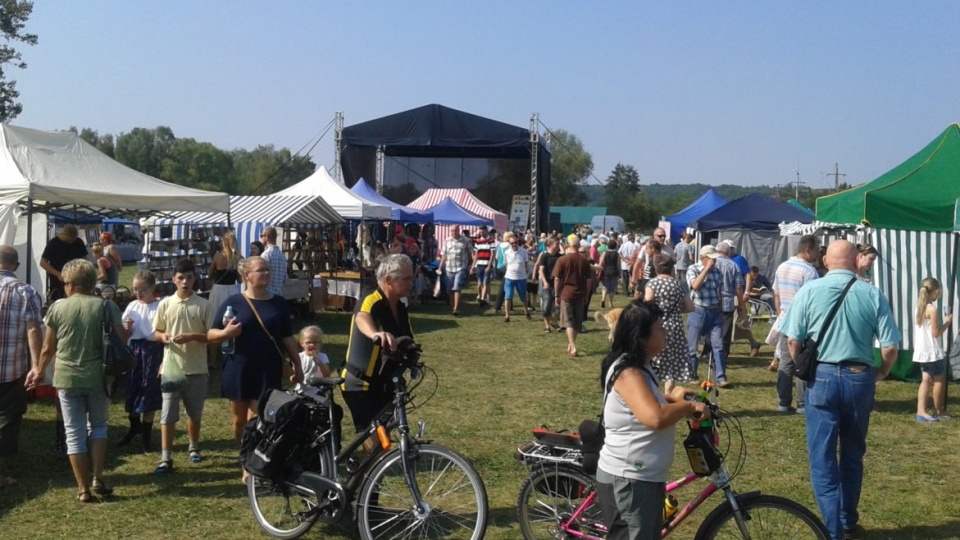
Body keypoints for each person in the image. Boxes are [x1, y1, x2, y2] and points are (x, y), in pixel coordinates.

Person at [779, 240, 901, 540]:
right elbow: (890, 346)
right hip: (860, 376)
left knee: (822, 458)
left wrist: (805, 369)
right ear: (855, 260)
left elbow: (792, 341)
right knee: (852, 453)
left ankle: (832, 530)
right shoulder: (872, 293)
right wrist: (881, 372)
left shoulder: (810, 290)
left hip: (821, 376)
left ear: (826, 261)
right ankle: (847, 521)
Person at [596, 300, 710, 540]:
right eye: (659, 328)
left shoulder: (640, 366)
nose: (665, 331)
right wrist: (687, 406)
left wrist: (673, 399)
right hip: (629, 479)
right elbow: (654, 417)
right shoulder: (628, 371)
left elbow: (643, 403)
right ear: (642, 336)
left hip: (641, 478)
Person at [28, 258, 123, 502]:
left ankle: (83, 489)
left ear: (70, 284)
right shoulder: (106, 306)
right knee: (99, 426)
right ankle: (98, 477)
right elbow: (121, 338)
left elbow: (48, 348)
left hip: (67, 378)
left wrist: (39, 371)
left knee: (74, 432)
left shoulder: (58, 307)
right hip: (98, 376)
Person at [208, 256, 303, 445]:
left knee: (257, 418)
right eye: (261, 270)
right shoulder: (234, 302)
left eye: (267, 269)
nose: (266, 273)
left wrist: (297, 365)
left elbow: (287, 337)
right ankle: (245, 453)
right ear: (247, 275)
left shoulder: (279, 303)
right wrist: (227, 332)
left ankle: (250, 466)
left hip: (268, 368)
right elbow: (211, 334)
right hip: (239, 368)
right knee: (239, 420)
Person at [340, 254, 415, 436]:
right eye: (406, 279)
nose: (411, 283)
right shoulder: (371, 298)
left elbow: (406, 338)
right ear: (389, 280)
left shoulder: (399, 306)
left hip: (383, 382)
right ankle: (367, 465)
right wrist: (375, 334)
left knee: (386, 433)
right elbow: (362, 317)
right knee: (374, 437)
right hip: (360, 383)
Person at [152, 259, 213, 475]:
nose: (185, 282)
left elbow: (212, 337)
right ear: (174, 280)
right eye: (181, 278)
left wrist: (193, 336)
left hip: (197, 368)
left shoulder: (204, 305)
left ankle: (193, 446)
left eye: (189, 278)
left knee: (194, 413)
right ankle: (165, 457)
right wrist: (164, 337)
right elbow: (156, 332)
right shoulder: (165, 304)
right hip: (171, 368)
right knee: (167, 414)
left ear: (194, 279)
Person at [0, 246, 42, 490]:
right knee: (6, 420)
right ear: (16, 266)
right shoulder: (25, 292)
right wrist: (36, 366)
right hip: (10, 368)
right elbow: (33, 330)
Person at [772, 235, 821, 412]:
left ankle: (783, 402)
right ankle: (802, 403)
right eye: (817, 249)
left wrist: (780, 314)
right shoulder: (809, 271)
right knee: (802, 361)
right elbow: (813, 300)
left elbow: (776, 293)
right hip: (802, 322)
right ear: (808, 250)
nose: (818, 253)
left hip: (785, 319)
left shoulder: (782, 266)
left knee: (786, 362)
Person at [117, 271, 163, 453]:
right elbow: (124, 336)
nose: (138, 293)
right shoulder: (132, 306)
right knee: (133, 388)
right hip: (135, 351)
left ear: (152, 288)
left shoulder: (160, 306)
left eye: (142, 290)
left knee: (149, 390)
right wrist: (126, 329)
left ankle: (146, 435)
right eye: (135, 289)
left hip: (152, 351)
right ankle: (133, 427)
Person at [644, 254, 695, 393]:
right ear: (671, 268)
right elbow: (690, 307)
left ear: (656, 268)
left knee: (653, 358)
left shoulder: (652, 283)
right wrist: (677, 310)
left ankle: (651, 391)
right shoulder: (678, 284)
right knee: (671, 362)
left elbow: (648, 302)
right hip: (675, 326)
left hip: (657, 325)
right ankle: (667, 394)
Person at [686, 245, 728, 387]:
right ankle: (692, 374)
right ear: (703, 258)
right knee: (694, 345)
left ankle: (721, 377)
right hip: (698, 311)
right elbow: (695, 286)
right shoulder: (693, 269)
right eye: (712, 259)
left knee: (719, 345)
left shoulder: (718, 272)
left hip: (714, 311)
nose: (714, 262)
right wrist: (706, 270)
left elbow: (719, 293)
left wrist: (721, 310)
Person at [912, 277, 952, 421]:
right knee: (939, 380)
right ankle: (939, 410)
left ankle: (921, 411)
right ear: (935, 291)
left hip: (922, 350)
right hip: (932, 350)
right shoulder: (932, 309)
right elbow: (936, 333)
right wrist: (947, 323)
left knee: (926, 380)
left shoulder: (919, 307)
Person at [553, 235, 593, 357]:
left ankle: (573, 346)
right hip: (580, 293)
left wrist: (556, 295)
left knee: (568, 321)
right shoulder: (584, 261)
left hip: (566, 293)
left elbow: (557, 279)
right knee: (577, 321)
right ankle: (571, 344)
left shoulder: (562, 260)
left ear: (567, 245)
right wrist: (587, 293)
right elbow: (589, 280)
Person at [40, 224, 88, 303]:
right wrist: (57, 274)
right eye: (69, 240)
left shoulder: (78, 242)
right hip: (57, 280)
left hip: (76, 280)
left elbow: (84, 259)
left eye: (73, 240)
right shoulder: (53, 243)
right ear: (64, 235)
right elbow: (43, 263)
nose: (71, 242)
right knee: (58, 302)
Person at [439, 228, 471, 317]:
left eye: (455, 230)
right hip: (449, 268)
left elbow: (471, 252)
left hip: (461, 267)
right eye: (452, 231)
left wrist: (471, 265)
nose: (454, 232)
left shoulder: (465, 240)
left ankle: (456, 308)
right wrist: (440, 267)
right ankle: (453, 306)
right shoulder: (447, 240)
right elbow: (444, 255)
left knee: (457, 287)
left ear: (458, 230)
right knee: (449, 290)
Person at [208, 231, 241, 313]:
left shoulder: (218, 256)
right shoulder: (238, 258)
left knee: (215, 313)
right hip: (232, 288)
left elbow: (210, 273)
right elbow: (240, 280)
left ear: (224, 243)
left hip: (218, 289)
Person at [534, 237, 562, 333]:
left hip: (558, 284)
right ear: (550, 245)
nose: (558, 245)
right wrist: (545, 282)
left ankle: (554, 322)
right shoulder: (544, 256)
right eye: (556, 244)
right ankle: (547, 326)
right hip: (547, 284)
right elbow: (541, 270)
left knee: (559, 306)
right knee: (547, 306)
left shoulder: (560, 256)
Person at [501, 235, 530, 322]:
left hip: (521, 277)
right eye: (512, 243)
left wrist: (525, 272)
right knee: (508, 296)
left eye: (515, 243)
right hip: (509, 277)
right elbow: (506, 264)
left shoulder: (523, 251)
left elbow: (526, 263)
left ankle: (526, 311)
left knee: (523, 297)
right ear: (509, 244)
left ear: (518, 242)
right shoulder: (506, 252)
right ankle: (507, 316)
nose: (514, 245)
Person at [471, 225, 496, 308]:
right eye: (480, 231)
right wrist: (472, 266)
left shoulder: (491, 241)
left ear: (486, 231)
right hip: (479, 264)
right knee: (480, 283)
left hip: (486, 264)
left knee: (485, 282)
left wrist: (489, 265)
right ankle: (481, 296)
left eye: (483, 231)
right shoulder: (477, 241)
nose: (482, 233)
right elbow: (476, 255)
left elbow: (493, 253)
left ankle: (482, 299)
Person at [260, 226, 287, 297]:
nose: (261, 238)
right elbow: (285, 278)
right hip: (279, 294)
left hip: (268, 294)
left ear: (267, 237)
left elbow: (262, 276)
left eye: (261, 236)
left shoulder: (266, 254)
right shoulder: (281, 255)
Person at [598, 239, 621, 309]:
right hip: (614, 272)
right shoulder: (617, 254)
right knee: (612, 288)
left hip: (606, 271)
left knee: (605, 287)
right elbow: (618, 265)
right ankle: (610, 303)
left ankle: (603, 300)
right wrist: (619, 273)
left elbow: (601, 263)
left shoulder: (605, 253)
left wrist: (599, 271)